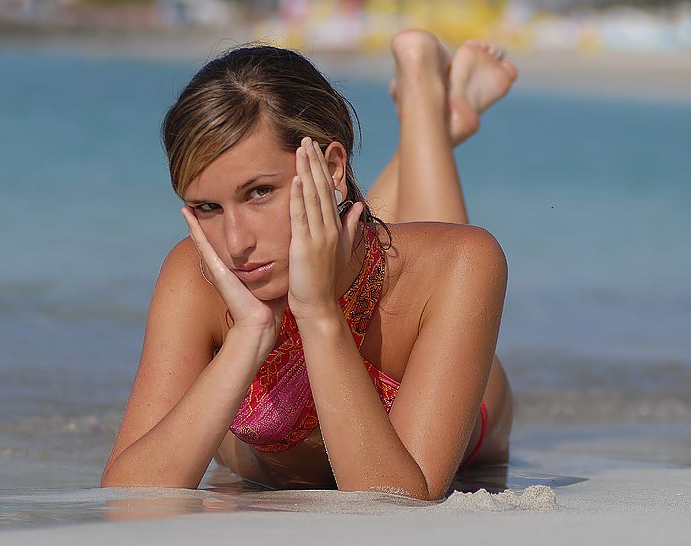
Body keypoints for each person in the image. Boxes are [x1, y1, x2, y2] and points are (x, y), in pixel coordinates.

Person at [100, 30, 517, 500]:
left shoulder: (468, 261)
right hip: (356, 239)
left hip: (466, 405)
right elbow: (128, 496)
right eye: (206, 208)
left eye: (259, 192)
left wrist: (318, 312)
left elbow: (396, 504)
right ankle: (435, 120)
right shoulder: (194, 274)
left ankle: (424, 98)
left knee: (427, 248)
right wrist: (250, 335)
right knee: (380, 234)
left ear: (333, 167)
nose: (235, 244)